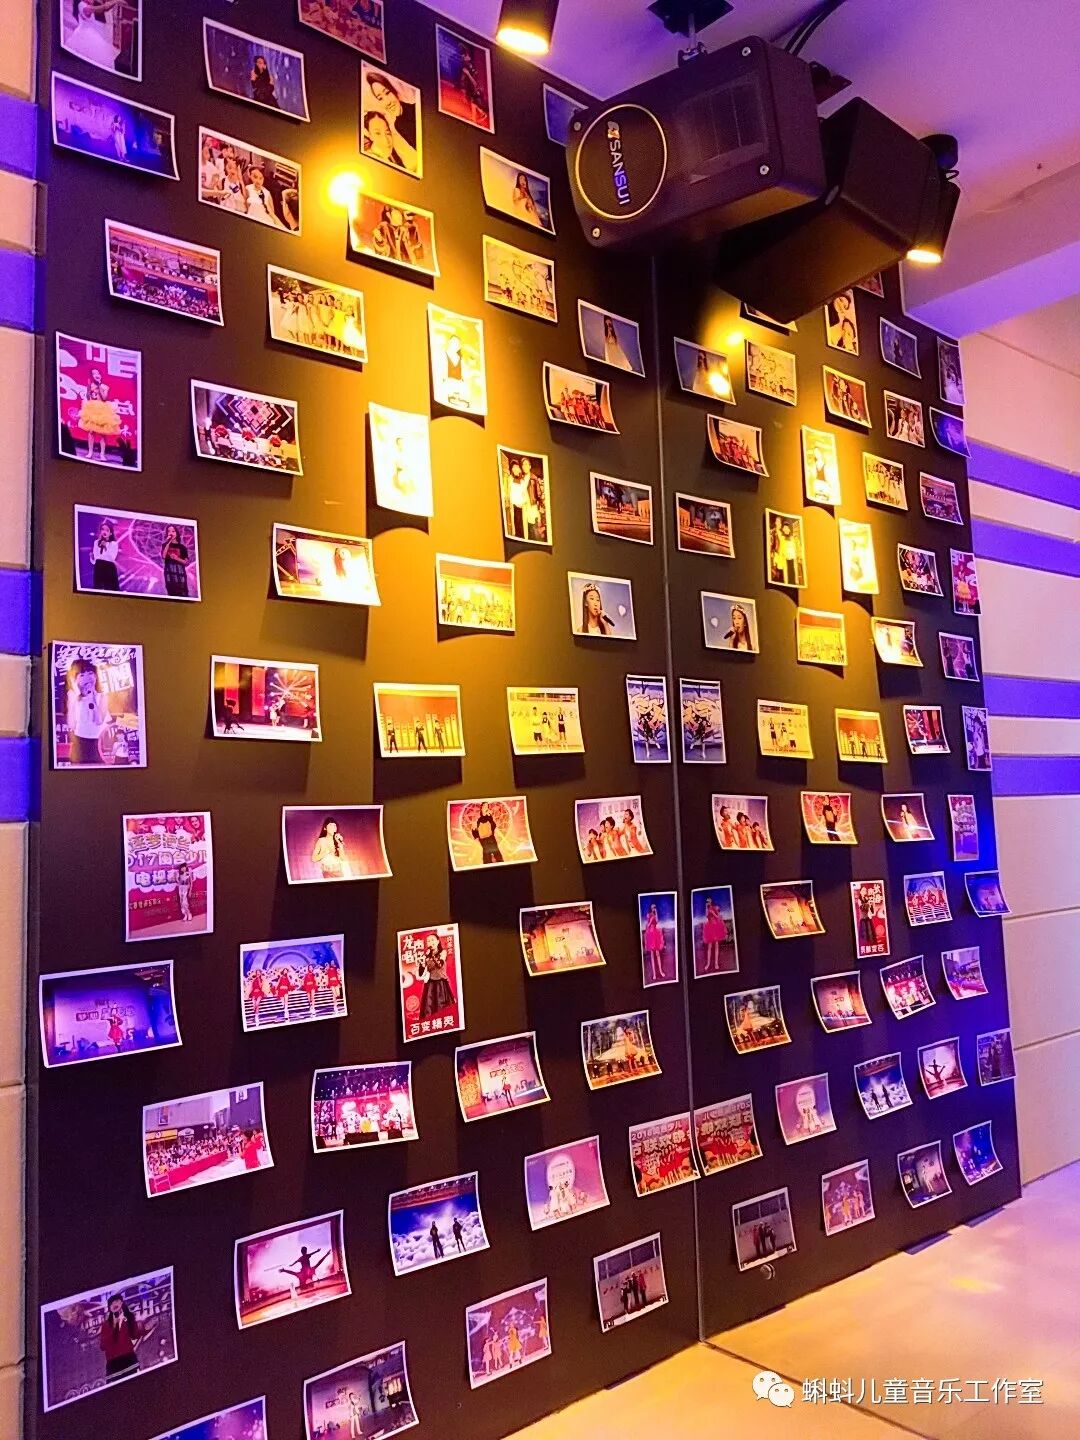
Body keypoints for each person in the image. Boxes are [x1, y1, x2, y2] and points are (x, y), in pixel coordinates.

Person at [363, 71, 419, 173]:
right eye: (380, 98)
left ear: (394, 90)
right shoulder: (397, 126)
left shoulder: (417, 108)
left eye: (387, 93)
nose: (387, 102)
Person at [65, 656, 107, 764]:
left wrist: (91, 698)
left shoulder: (101, 696)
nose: (87, 678)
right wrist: (72, 702)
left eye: (90, 673)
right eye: (82, 675)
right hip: (79, 743)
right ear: (75, 679)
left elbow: (99, 721)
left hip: (99, 744)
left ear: (95, 676)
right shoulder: (73, 697)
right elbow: (71, 725)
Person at [99, 1292, 148, 1383]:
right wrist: (114, 1326)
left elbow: (135, 1335)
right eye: (111, 1303)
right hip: (114, 1364)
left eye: (117, 1301)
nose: (114, 1304)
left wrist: (143, 1328)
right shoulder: (106, 1325)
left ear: (121, 1303)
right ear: (109, 1308)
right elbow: (103, 1346)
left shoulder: (129, 1318)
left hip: (129, 1360)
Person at [66, 1, 123, 71]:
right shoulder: (82, 5)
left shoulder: (94, 13)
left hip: (95, 36)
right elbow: (99, 9)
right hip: (86, 37)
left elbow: (102, 10)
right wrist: (115, 2)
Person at [418, 931, 454, 1018]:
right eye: (428, 941)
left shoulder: (443, 952)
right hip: (430, 984)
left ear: (437, 941)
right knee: (428, 1007)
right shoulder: (426, 956)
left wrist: (431, 956)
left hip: (440, 983)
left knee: (441, 1006)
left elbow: (439, 964)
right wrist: (422, 963)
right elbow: (420, 974)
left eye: (432, 940)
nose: (430, 942)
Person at [160, 524, 190, 598]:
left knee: (182, 593)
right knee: (171, 592)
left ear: (176, 533)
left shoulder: (182, 547)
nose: (171, 533)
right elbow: (164, 556)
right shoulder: (165, 545)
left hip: (180, 573)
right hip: (169, 573)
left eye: (173, 531)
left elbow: (186, 562)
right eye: (169, 531)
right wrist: (169, 542)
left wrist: (177, 558)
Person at [90, 518, 120, 589]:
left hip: (109, 568)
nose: (104, 532)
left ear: (110, 533)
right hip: (98, 568)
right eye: (102, 529)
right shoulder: (96, 542)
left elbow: (112, 558)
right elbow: (96, 559)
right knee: (98, 588)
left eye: (107, 530)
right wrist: (92, 558)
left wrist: (105, 547)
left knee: (110, 588)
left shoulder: (113, 544)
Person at [642, 903, 666, 984]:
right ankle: (654, 974)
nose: (654, 908)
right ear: (650, 908)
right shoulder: (648, 915)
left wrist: (656, 913)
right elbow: (648, 925)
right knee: (652, 955)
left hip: (655, 934)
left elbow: (657, 921)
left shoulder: (655, 915)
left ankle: (661, 971)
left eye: (655, 907)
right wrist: (651, 919)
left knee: (657, 954)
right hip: (650, 934)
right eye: (653, 907)